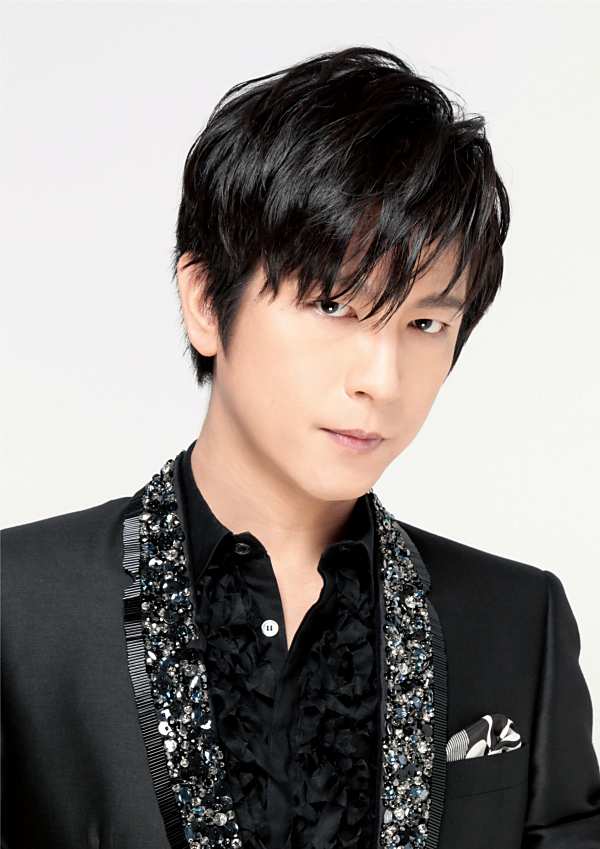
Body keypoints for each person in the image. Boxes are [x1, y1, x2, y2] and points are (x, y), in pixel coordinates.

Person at [2, 47, 599, 849]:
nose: (381, 379)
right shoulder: (18, 605)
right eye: (332, 305)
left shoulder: (518, 620)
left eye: (426, 322)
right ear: (206, 301)